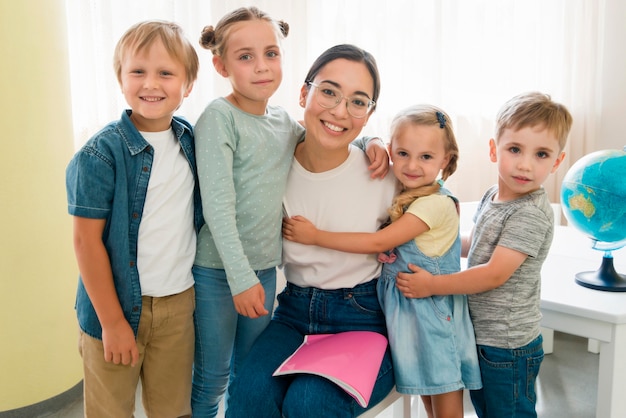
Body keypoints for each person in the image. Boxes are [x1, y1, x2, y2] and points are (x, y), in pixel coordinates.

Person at [191, 8, 389, 417]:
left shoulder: (380, 171)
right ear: (305, 95)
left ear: (369, 112)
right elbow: (220, 203)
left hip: (359, 316)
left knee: (307, 403)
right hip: (290, 307)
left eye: (358, 102)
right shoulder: (260, 136)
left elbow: (439, 198)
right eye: (329, 93)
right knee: (245, 394)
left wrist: (373, 139)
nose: (339, 110)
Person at [283, 104, 482, 418]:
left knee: (445, 402)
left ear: (445, 160)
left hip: (431, 317)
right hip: (409, 318)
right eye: (402, 154)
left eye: (426, 157)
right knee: (429, 401)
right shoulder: (408, 195)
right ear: (391, 151)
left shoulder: (433, 203)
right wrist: (371, 141)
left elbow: (377, 241)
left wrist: (315, 235)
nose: (411, 165)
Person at [397, 92, 573, 418]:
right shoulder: (493, 196)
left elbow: (494, 274)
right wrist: (427, 239)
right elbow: (472, 244)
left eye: (541, 154)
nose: (525, 164)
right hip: (483, 337)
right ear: (494, 150)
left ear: (557, 162)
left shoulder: (530, 213)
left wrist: (432, 285)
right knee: (487, 409)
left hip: (508, 346)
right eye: (515, 149)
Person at [65, 21, 201, 417]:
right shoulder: (99, 155)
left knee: (173, 410)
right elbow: (85, 242)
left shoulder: (190, 139)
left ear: (188, 85)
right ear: (120, 79)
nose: (150, 83)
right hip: (116, 308)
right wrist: (112, 322)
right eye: (138, 71)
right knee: (111, 411)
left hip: (177, 305)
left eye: (166, 73)